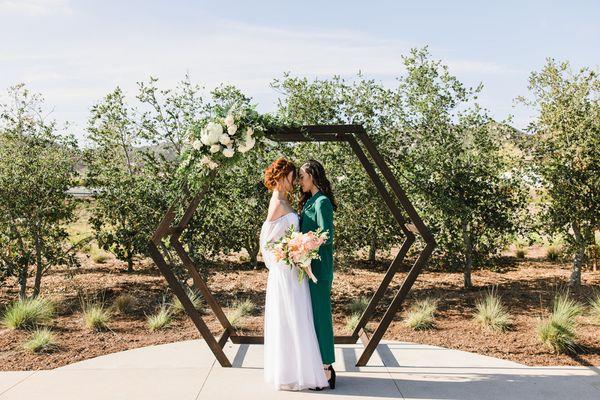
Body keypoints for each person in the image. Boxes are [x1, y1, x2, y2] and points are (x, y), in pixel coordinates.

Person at [260, 157, 329, 391]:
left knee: (298, 318)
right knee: (289, 319)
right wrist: (284, 256)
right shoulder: (277, 202)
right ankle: (291, 373)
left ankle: (302, 370)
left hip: (294, 270)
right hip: (285, 271)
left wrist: (297, 249)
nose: (295, 181)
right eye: (292, 176)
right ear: (282, 177)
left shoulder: (286, 200)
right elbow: (266, 241)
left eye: (298, 176)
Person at [298, 159, 337, 390]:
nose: (300, 181)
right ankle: (317, 365)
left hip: (319, 269)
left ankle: (327, 368)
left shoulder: (322, 202)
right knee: (312, 316)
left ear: (312, 175)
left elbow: (327, 236)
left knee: (321, 316)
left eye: (302, 176)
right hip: (308, 266)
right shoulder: (310, 201)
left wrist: (302, 245)